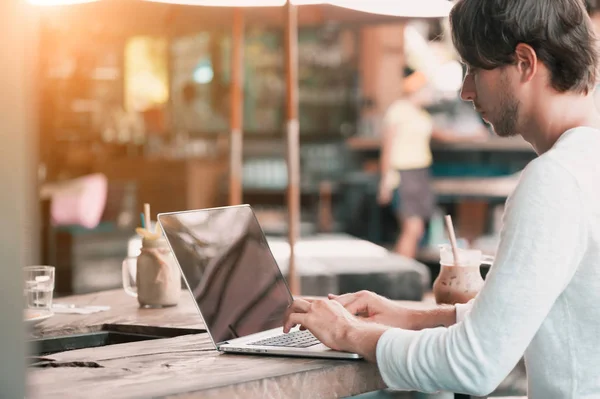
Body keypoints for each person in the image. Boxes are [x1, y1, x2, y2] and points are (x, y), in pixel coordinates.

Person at [283, 0, 600, 397]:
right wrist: (410, 317)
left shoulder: (555, 179)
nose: (466, 91)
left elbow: (473, 363)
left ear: (524, 62)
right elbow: (545, 312)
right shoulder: (587, 164)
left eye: (473, 68)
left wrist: (348, 332)